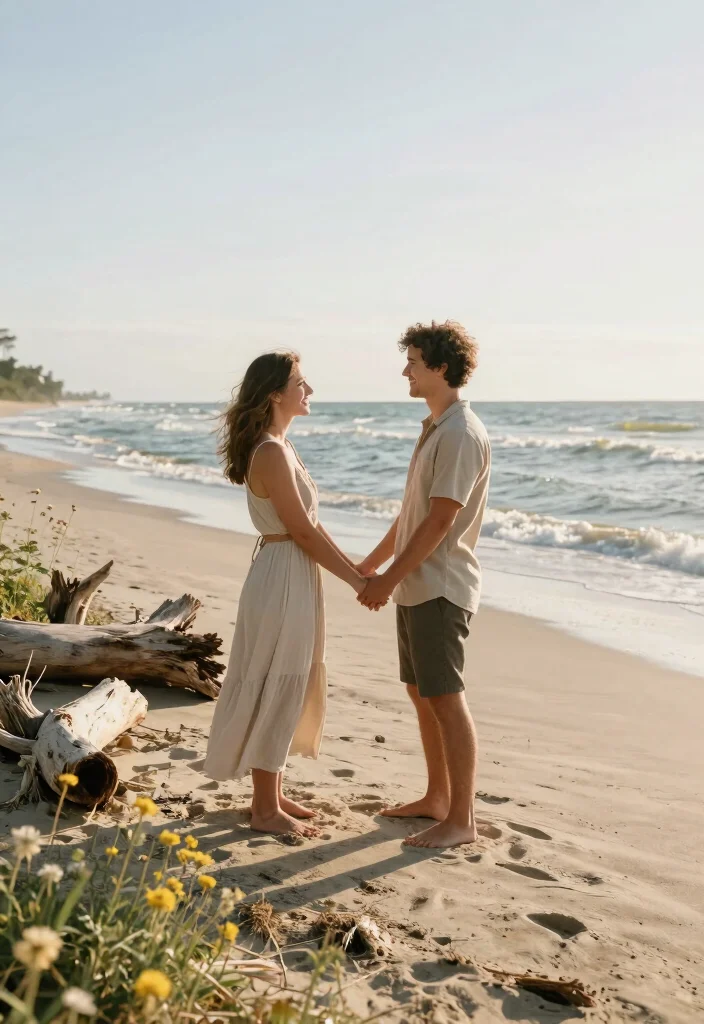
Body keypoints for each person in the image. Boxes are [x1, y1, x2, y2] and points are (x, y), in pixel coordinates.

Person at [204, 351, 369, 836]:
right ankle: (263, 809)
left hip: (289, 571)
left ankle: (271, 795)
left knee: (287, 676)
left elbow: (311, 528)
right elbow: (302, 531)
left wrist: (359, 569)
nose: (309, 390)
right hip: (282, 574)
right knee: (278, 676)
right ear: (276, 393)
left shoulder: (279, 446)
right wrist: (359, 581)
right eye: (301, 382)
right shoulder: (271, 452)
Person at [356, 321, 491, 849]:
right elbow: (410, 516)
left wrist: (387, 579)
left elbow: (439, 522)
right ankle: (437, 798)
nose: (405, 370)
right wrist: (371, 566)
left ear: (439, 366)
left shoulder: (460, 433)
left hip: (441, 586)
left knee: (446, 697)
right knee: (421, 694)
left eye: (413, 361)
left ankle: (462, 819)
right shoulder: (435, 427)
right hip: (416, 585)